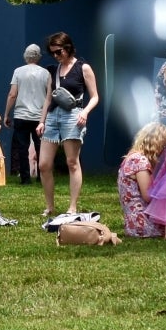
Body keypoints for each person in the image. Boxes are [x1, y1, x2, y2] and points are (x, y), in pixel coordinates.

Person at [38, 32, 101, 217]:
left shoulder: (83, 67)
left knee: (72, 162)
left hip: (73, 115)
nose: (56, 56)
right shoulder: (53, 70)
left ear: (67, 48)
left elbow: (95, 96)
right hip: (53, 116)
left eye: (58, 52)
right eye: (53, 53)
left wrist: (85, 111)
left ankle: (72, 206)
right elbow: (48, 98)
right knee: (43, 164)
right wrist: (41, 121)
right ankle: (50, 206)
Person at [3, 44, 50, 186]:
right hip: (39, 117)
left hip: (21, 115)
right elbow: (49, 95)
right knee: (41, 147)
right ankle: (42, 177)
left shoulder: (18, 71)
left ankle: (25, 178)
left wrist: (6, 114)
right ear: (39, 57)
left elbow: (12, 94)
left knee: (22, 148)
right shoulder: (45, 73)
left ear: (25, 56)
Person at [117, 121, 166, 238]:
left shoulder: (131, 157)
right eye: (165, 146)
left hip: (133, 223)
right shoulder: (140, 161)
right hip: (143, 223)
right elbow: (148, 196)